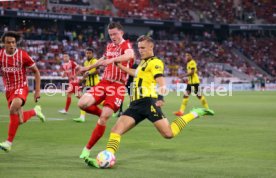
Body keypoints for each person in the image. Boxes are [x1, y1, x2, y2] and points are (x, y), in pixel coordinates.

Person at [84, 35, 214, 168]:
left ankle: (195, 113)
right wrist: (121, 67)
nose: (140, 50)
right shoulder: (143, 62)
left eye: (143, 48)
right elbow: (136, 73)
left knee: (168, 134)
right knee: (116, 130)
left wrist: (160, 97)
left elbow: (161, 81)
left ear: (151, 47)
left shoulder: (156, 62)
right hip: (135, 105)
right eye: (139, 48)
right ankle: (107, 157)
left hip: (148, 102)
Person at [77, 22, 134, 159]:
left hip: (117, 86)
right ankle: (101, 112)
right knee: (82, 104)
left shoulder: (126, 45)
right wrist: (86, 68)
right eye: (110, 35)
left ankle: (87, 149)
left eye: (115, 34)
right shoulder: (109, 46)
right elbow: (101, 60)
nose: (113, 36)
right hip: (104, 83)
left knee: (104, 118)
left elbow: (129, 55)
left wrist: (112, 60)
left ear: (122, 32)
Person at [0, 31, 45, 152]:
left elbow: (36, 72)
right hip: (8, 90)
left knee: (13, 107)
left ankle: (8, 143)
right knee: (19, 120)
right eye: (8, 42)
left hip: (21, 87)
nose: (11, 45)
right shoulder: (0, 55)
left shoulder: (22, 55)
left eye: (13, 42)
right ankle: (35, 112)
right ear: (3, 44)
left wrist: (37, 91)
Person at [73, 48, 100, 122]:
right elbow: (85, 74)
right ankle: (82, 117)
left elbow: (98, 71)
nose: (88, 54)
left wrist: (89, 73)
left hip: (95, 85)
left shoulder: (95, 61)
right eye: (87, 53)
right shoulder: (85, 63)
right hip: (88, 85)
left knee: (99, 101)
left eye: (89, 53)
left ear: (92, 54)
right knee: (83, 100)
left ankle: (111, 109)